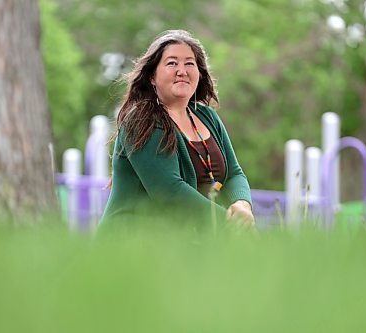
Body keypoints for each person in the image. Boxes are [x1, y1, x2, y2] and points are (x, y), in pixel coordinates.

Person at [100, 29, 254, 230]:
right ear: (152, 77)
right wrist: (228, 222)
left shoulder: (207, 117)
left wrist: (242, 206)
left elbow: (234, 174)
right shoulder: (141, 120)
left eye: (189, 63)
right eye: (172, 63)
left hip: (187, 245)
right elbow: (169, 193)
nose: (182, 70)